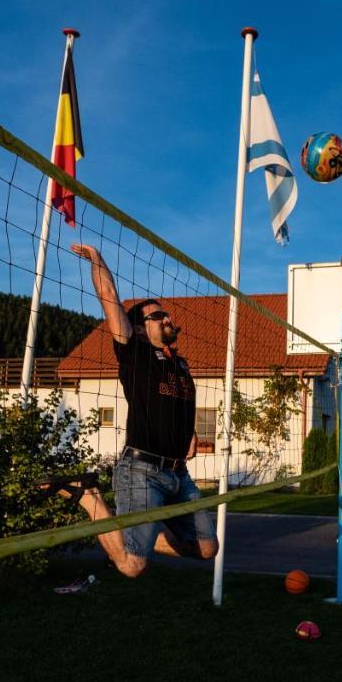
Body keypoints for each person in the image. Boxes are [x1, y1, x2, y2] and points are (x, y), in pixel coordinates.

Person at [44, 243, 217, 578]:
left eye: (166, 314)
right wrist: (98, 260)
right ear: (139, 328)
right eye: (157, 316)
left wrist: (189, 431)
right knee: (132, 566)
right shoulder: (134, 353)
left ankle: (145, 536)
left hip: (178, 474)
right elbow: (109, 296)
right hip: (142, 469)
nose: (167, 318)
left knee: (207, 548)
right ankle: (88, 495)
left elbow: (177, 402)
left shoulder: (178, 364)